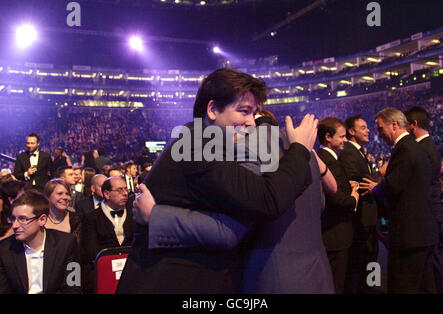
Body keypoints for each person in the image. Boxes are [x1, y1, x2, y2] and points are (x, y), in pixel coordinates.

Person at [117, 68, 318, 293]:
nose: (252, 122)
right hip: (167, 281)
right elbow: (266, 199)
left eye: (254, 113)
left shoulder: (208, 144)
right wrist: (299, 149)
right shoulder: (195, 145)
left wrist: (157, 215)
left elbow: (229, 227)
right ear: (212, 109)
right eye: (244, 111)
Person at [359, 108, 439, 293]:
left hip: (409, 237)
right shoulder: (415, 147)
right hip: (423, 233)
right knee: (426, 287)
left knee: (402, 286)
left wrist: (375, 188)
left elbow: (394, 187)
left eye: (380, 128)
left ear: (394, 124)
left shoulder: (404, 149)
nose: (379, 134)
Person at [0, 190, 81, 294]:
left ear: (42, 220)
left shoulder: (67, 243)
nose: (15, 225)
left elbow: (74, 285)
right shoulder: (4, 249)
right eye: (13, 219)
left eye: (22, 219)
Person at [404, 106, 443, 293]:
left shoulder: (424, 149)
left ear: (413, 125)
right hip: (430, 212)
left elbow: (423, 185)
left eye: (405, 125)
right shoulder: (428, 146)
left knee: (432, 265)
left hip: (428, 213)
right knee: (429, 266)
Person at [317, 117, 359, 293]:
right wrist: (354, 197)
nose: (345, 140)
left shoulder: (327, 158)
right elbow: (337, 200)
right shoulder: (328, 161)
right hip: (335, 235)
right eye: (341, 136)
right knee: (337, 284)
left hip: (334, 235)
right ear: (328, 137)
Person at [339, 115, 379, 294]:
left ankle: (371, 288)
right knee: (363, 262)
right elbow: (356, 180)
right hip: (361, 218)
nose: (368, 130)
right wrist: (381, 178)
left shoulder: (359, 152)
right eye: (363, 127)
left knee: (371, 259)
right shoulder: (349, 153)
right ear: (352, 132)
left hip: (368, 218)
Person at [43, 179, 83, 249]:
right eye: (60, 193)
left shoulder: (76, 220)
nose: (65, 197)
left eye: (67, 194)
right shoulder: (38, 219)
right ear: (48, 196)